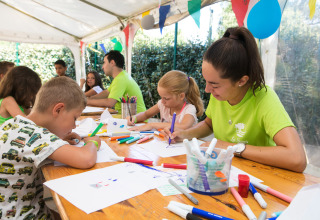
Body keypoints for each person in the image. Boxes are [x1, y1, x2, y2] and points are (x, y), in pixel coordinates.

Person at [165, 27, 306, 173]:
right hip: (224, 172)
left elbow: (297, 158)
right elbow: (209, 123)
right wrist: (184, 134)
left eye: (214, 84)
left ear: (242, 81)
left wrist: (231, 147)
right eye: (206, 81)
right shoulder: (218, 95)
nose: (207, 90)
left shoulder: (264, 98)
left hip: (258, 176)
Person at [0, 76, 101, 219]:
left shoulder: (14, 124)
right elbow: (86, 159)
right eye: (74, 118)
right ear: (58, 109)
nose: (74, 126)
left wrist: (58, 138)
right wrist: (94, 142)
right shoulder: (36, 136)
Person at [127, 70, 204, 131]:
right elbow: (146, 115)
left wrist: (152, 125)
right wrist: (134, 118)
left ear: (181, 96)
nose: (162, 101)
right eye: (161, 97)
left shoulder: (189, 109)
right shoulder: (163, 104)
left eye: (166, 98)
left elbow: (183, 126)